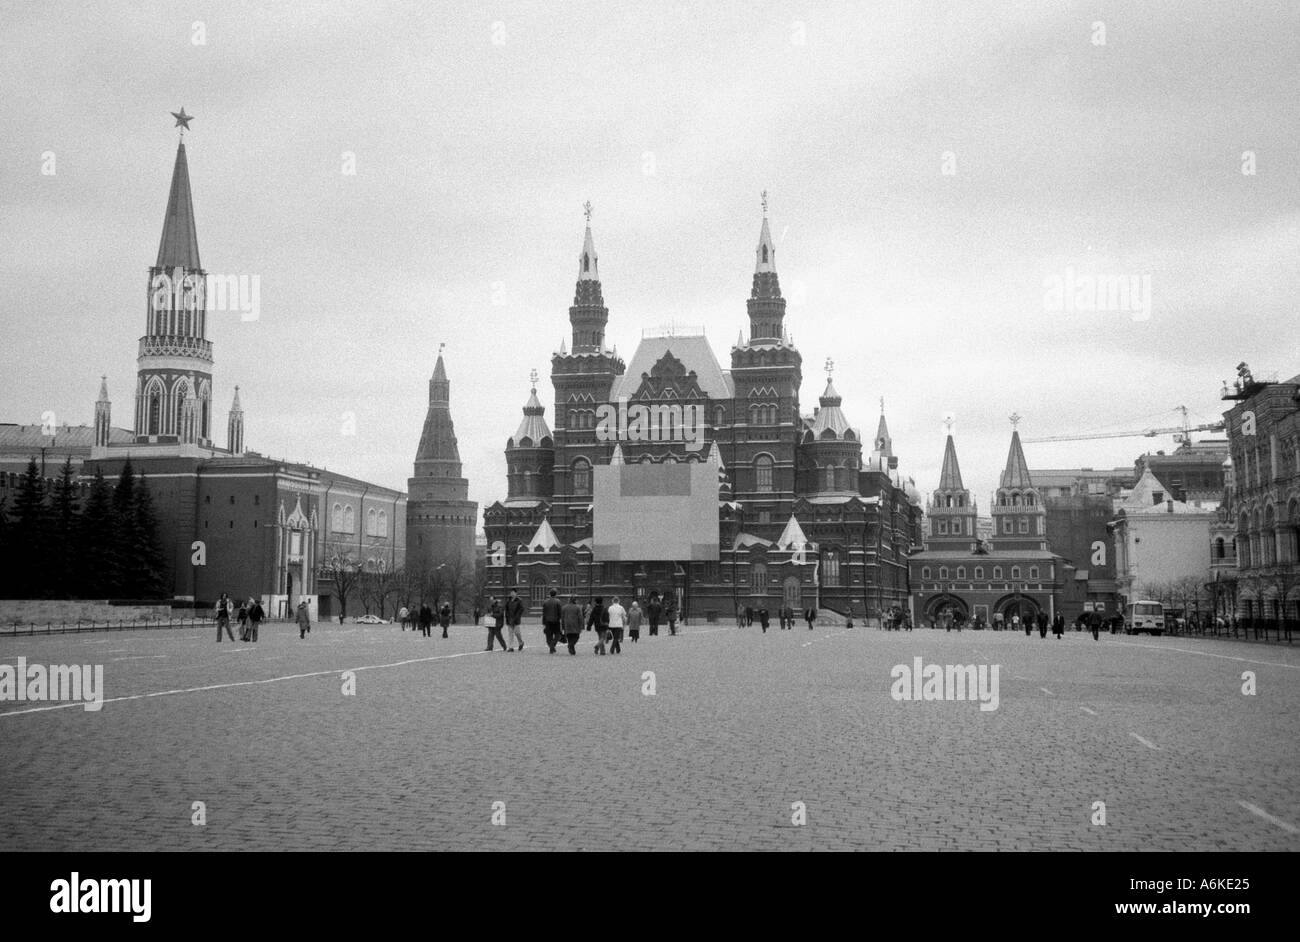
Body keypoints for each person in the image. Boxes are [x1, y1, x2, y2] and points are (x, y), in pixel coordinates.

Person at [541, 589, 563, 654]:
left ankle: (551, 646)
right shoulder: (558, 602)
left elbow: (544, 613)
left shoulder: (545, 602)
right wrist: (560, 619)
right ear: (555, 594)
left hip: (548, 621)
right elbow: (560, 612)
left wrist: (543, 622)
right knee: (557, 635)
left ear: (550, 594)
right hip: (556, 621)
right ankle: (552, 646)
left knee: (548, 636)